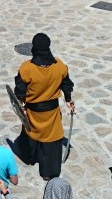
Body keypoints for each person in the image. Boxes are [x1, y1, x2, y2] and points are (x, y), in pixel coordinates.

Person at [11, 33, 74, 181]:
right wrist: (69, 100)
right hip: (51, 113)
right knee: (51, 141)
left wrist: (21, 104)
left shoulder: (26, 69)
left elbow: (20, 90)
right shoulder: (60, 66)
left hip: (33, 112)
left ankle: (30, 157)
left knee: (30, 133)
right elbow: (66, 84)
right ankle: (48, 171)